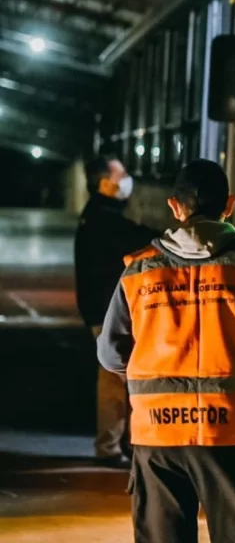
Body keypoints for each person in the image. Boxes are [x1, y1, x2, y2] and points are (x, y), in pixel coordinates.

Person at [97, 159, 235, 543]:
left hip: (157, 438)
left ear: (175, 207)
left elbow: (111, 355)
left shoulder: (139, 270)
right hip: (232, 433)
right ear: (229, 205)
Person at [74, 155, 158, 469]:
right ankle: (109, 447)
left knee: (117, 376)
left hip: (102, 309)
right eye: (121, 174)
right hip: (108, 311)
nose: (127, 180)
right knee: (113, 379)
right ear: (107, 182)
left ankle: (117, 442)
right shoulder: (103, 218)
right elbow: (137, 238)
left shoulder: (97, 214)